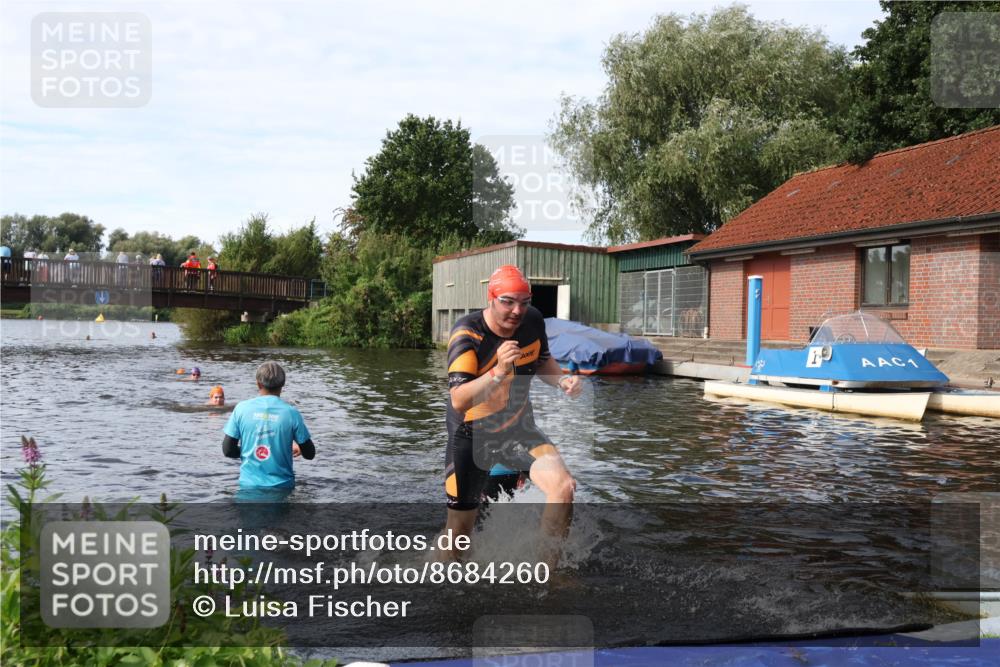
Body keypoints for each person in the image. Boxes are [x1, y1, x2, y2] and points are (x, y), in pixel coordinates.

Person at [442, 265, 582, 565]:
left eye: (524, 301)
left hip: (519, 428)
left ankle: (549, 575)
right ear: (491, 298)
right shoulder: (467, 334)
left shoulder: (532, 321)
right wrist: (497, 372)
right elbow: (458, 400)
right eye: (508, 301)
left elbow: (542, 360)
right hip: (471, 435)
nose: (517, 310)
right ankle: (433, 579)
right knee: (459, 537)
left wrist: (561, 380)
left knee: (563, 486)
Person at [221, 361, 316, 489]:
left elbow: (228, 450)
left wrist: (251, 452)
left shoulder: (241, 409)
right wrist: (298, 449)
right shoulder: (291, 413)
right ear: (282, 384)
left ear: (258, 384)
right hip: (282, 487)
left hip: (248, 487)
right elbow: (309, 454)